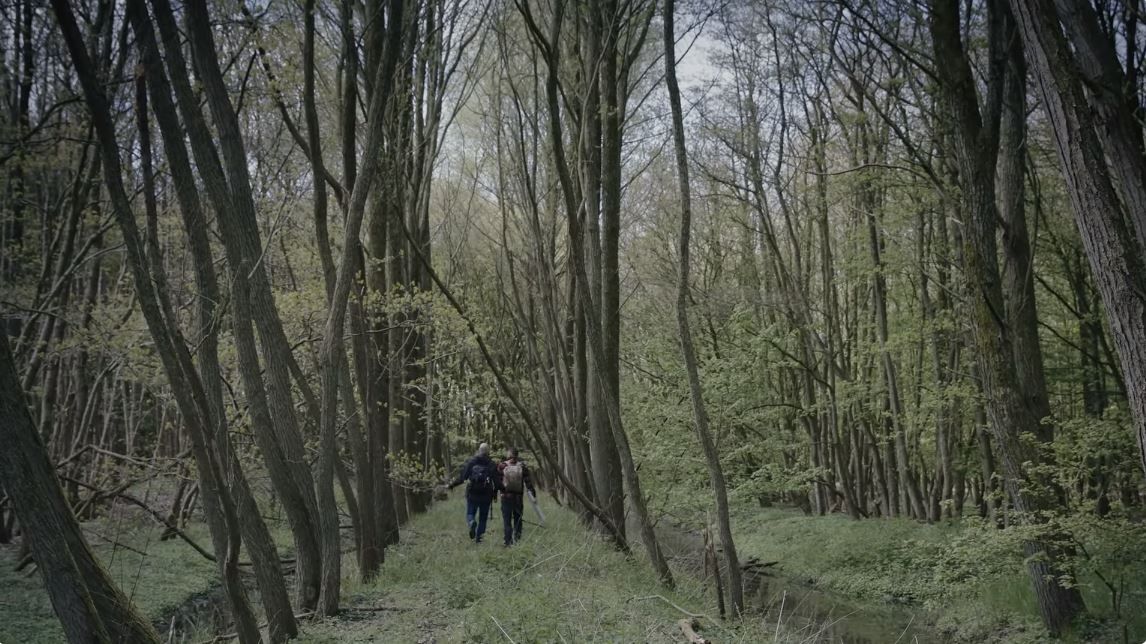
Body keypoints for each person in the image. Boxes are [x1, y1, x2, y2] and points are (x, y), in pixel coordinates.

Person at [448, 442, 500, 543]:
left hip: (473, 493)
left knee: (470, 513)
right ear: (488, 452)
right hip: (486, 495)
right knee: (483, 518)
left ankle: (471, 522)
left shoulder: (472, 461)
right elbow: (497, 482)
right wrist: (499, 492)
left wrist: (451, 485)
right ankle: (479, 540)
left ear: (479, 450)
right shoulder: (491, 464)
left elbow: (463, 478)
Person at [497, 447, 535, 546]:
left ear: (508, 454)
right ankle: (517, 540)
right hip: (518, 497)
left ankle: (508, 542)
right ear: (517, 455)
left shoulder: (502, 465)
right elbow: (528, 482)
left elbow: (497, 481)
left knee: (507, 520)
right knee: (518, 519)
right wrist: (533, 493)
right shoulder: (522, 466)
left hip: (506, 497)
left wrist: (499, 491)